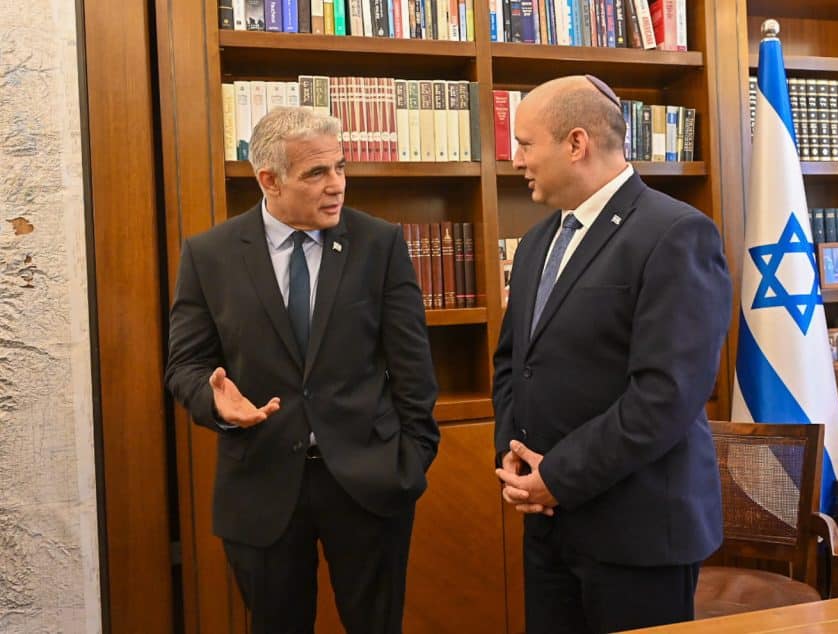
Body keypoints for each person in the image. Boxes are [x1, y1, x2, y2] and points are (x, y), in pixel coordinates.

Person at [165, 107, 439, 633]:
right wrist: (214, 401)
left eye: (339, 167)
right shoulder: (210, 255)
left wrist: (412, 459)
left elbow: (413, 366)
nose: (336, 185)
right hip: (262, 484)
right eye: (317, 173)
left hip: (369, 481)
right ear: (268, 179)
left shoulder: (379, 244)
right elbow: (186, 364)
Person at [492, 75, 731, 632]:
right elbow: (513, 363)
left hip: (638, 533)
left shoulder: (676, 233)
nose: (516, 159)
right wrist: (516, 458)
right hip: (547, 520)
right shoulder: (535, 242)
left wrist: (562, 476)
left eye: (526, 144)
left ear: (576, 143)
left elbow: (664, 395)